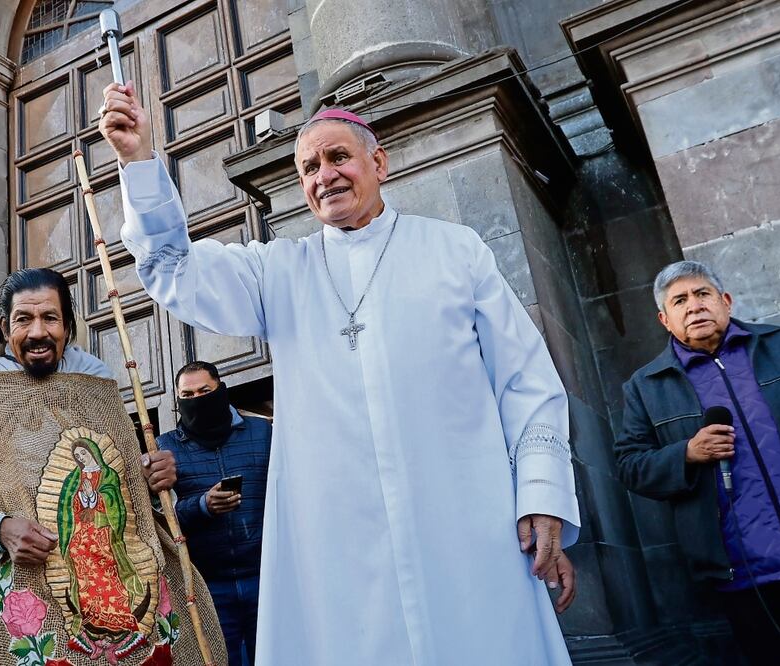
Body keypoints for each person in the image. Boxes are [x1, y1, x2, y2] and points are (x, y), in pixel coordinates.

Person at [99, 84, 580, 664]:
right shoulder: (279, 270)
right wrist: (139, 162)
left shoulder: (456, 251)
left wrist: (543, 492)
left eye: (337, 157)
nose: (323, 175)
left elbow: (525, 382)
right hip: (336, 539)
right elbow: (172, 270)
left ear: (378, 162)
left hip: (462, 518)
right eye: (308, 167)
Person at [0, 268, 226, 666]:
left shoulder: (98, 388)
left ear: (68, 325)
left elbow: (126, 498)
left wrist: (149, 480)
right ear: (3, 326)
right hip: (27, 610)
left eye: (50, 318)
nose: (37, 332)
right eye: (23, 319)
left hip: (121, 607)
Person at [615, 260, 780, 665]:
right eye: (680, 300)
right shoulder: (645, 386)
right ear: (665, 319)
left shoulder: (778, 345)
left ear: (725, 301)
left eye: (702, 294)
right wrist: (687, 453)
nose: (694, 306)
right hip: (742, 576)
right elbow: (630, 465)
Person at [158, 361, 272, 666]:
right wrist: (202, 506)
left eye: (204, 391)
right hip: (208, 588)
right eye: (188, 394)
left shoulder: (263, 433)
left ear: (220, 391)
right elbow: (161, 521)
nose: (197, 399)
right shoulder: (165, 448)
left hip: (267, 576)